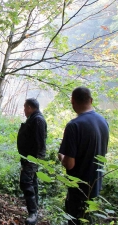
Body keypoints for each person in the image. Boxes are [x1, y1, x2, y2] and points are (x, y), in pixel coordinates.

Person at [58, 87, 109, 225]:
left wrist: (61, 156)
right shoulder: (103, 122)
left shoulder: (74, 125)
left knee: (74, 220)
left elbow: (70, 164)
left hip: (78, 187)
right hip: (95, 185)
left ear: (72, 101)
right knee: (87, 219)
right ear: (91, 100)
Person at [17, 98, 47, 225]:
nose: (24, 110)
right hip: (29, 157)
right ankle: (34, 209)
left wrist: (34, 160)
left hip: (33, 158)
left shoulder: (38, 120)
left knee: (26, 181)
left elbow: (40, 143)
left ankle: (33, 213)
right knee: (32, 181)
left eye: (25, 107)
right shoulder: (34, 118)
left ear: (29, 107)